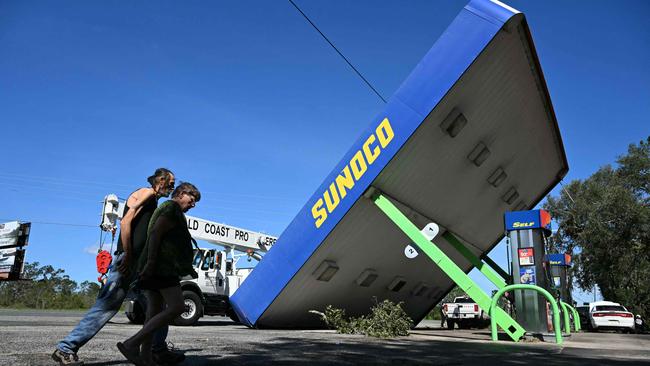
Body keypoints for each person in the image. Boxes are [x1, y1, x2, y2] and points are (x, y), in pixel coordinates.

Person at [53, 168, 182, 366]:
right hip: (128, 261)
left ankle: (158, 350)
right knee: (107, 306)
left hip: (138, 264)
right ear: (161, 180)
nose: (173, 186)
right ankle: (65, 348)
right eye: (171, 183)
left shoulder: (154, 200)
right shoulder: (147, 193)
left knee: (157, 308)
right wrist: (128, 255)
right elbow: (126, 222)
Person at [117, 182, 200, 366]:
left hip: (154, 267)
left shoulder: (169, 209)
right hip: (162, 267)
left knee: (153, 313)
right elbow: (155, 233)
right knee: (178, 307)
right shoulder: (171, 208)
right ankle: (132, 343)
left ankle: (146, 357)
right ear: (180, 194)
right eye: (191, 199)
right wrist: (153, 262)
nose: (193, 204)